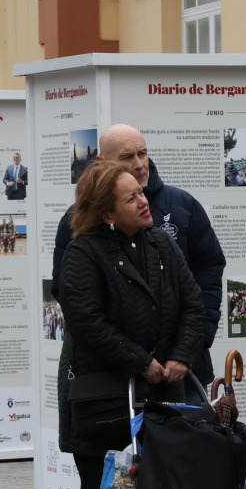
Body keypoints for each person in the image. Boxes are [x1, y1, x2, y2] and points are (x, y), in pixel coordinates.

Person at [56, 159, 207, 489]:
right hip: (104, 396)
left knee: (159, 486)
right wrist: (141, 361)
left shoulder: (161, 243)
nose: (144, 200)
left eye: (141, 193)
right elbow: (86, 322)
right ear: (106, 212)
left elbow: (193, 305)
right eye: (131, 197)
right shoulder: (83, 253)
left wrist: (181, 356)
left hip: (163, 387)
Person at [52, 124, 226, 383]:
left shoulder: (181, 208)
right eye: (126, 157)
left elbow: (205, 282)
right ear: (102, 161)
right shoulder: (76, 226)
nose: (139, 164)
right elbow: (76, 304)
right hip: (111, 379)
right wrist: (135, 357)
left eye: (142, 153)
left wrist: (189, 349)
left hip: (180, 371)